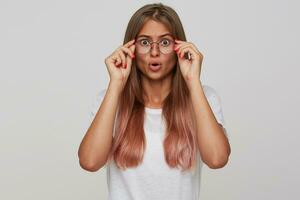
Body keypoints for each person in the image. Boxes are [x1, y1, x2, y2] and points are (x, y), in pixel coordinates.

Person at [78, 3, 231, 200]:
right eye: (144, 42)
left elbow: (217, 158)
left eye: (165, 42)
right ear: (130, 48)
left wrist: (193, 82)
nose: (155, 52)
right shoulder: (109, 100)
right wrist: (116, 84)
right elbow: (90, 162)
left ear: (179, 48)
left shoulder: (203, 97)